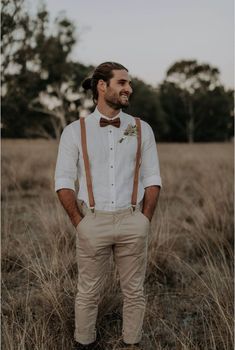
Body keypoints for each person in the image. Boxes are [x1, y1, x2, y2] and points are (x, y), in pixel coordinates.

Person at [54, 62, 162, 350]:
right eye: (122, 83)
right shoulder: (74, 131)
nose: (129, 88)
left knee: (135, 293)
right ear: (102, 86)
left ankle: (132, 343)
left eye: (129, 83)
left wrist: (145, 219)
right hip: (93, 222)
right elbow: (63, 181)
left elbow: (152, 178)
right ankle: (84, 343)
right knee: (88, 293)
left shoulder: (142, 129)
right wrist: (80, 222)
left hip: (132, 221)